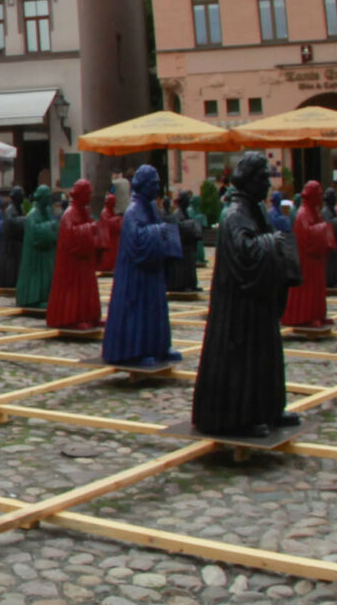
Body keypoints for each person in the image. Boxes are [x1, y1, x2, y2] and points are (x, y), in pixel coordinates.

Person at [189, 153, 300, 439]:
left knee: (266, 355)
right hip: (239, 307)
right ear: (250, 180)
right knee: (244, 360)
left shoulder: (254, 209)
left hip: (257, 300)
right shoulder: (235, 214)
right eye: (263, 178)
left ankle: (270, 408)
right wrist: (273, 243)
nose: (268, 184)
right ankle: (242, 416)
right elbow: (245, 256)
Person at [100, 166, 182, 370]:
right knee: (139, 311)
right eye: (154, 184)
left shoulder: (150, 207)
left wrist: (163, 231)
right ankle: (136, 350)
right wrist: (159, 231)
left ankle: (159, 346)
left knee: (155, 308)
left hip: (151, 272)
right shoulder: (134, 210)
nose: (157, 188)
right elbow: (137, 241)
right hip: (136, 275)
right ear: (143, 186)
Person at [46, 181, 105, 332]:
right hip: (72, 264)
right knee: (76, 290)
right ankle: (74, 318)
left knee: (87, 288)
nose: (90, 197)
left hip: (83, 260)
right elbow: (71, 236)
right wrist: (89, 228)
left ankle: (91, 316)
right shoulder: (69, 214)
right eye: (88, 194)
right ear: (81, 195)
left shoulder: (83, 211)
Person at [279, 179, 336, 330]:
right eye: (318, 194)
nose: (320, 198)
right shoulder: (302, 214)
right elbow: (307, 236)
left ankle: (318, 314)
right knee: (308, 289)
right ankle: (307, 316)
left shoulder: (314, 211)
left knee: (318, 287)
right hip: (307, 261)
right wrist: (324, 228)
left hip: (315, 260)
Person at [15, 185, 59, 311]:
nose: (49, 200)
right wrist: (51, 226)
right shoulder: (32, 214)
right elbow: (35, 233)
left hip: (45, 253)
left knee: (47, 276)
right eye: (47, 197)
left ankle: (45, 297)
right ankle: (33, 299)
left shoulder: (47, 211)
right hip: (35, 256)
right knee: (36, 278)